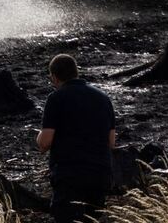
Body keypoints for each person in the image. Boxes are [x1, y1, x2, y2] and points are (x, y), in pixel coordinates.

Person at [36, 53, 116, 223]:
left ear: (54, 77)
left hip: (70, 176)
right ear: (76, 72)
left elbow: (45, 143)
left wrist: (39, 136)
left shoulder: (56, 98)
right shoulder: (103, 98)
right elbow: (111, 142)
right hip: (100, 174)